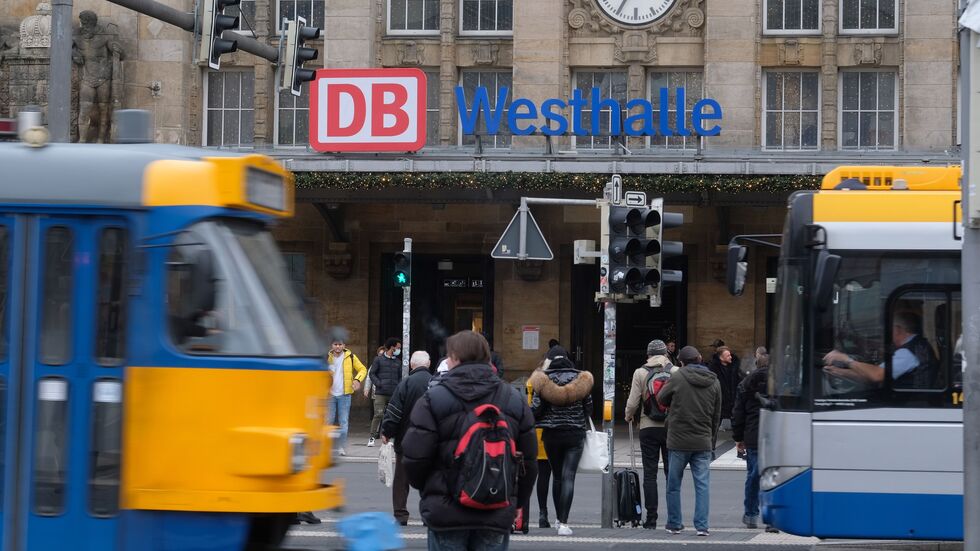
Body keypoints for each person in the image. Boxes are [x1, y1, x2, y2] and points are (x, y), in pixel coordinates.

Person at [402, 331, 538, 551]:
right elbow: (529, 463)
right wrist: (515, 502)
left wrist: (431, 489)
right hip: (495, 510)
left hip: (446, 512)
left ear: (455, 358)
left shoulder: (433, 398)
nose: (446, 360)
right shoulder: (514, 399)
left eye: (448, 355)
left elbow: (415, 458)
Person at [529, 345, 594, 537]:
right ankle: (564, 522)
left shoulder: (543, 379)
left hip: (552, 434)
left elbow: (536, 409)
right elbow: (588, 408)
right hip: (575, 434)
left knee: (556, 476)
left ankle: (557, 519)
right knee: (569, 476)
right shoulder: (581, 378)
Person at [658, 346, 721, 537]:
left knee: (674, 484)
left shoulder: (677, 377)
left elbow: (662, 398)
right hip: (702, 441)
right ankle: (702, 526)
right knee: (702, 485)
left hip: (678, 440)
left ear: (681, 362)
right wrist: (711, 440)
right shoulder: (714, 381)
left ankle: (674, 524)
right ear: (700, 359)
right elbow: (717, 415)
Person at [624, 339, 677, 529]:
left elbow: (632, 402)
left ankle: (652, 518)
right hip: (671, 428)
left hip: (648, 427)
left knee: (650, 474)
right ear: (665, 354)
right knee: (672, 473)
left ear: (648, 354)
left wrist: (628, 416)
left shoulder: (640, 372)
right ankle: (673, 518)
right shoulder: (675, 371)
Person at [380, 351, 433, 526]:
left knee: (401, 479)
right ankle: (428, 515)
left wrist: (387, 431)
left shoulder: (406, 383)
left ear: (411, 365)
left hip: (406, 441)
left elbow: (394, 412)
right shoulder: (436, 383)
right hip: (430, 442)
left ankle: (400, 515)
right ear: (429, 364)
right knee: (430, 479)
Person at [823, 311, 939, 388]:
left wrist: (847, 360)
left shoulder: (907, 353)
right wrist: (840, 372)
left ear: (898, 329)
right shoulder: (919, 344)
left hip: (905, 405)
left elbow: (877, 375)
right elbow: (871, 377)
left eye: (889, 328)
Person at [732, 351, 769, 529]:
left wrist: (738, 438)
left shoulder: (746, 384)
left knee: (753, 476)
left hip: (753, 434)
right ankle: (772, 519)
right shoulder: (782, 383)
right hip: (775, 435)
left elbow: (738, 414)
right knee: (774, 477)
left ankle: (751, 515)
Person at [326, 332, 367, 457]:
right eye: (335, 344)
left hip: (345, 394)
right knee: (328, 422)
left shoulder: (350, 357)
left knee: (343, 422)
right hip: (329, 394)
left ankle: (340, 448)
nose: (337, 347)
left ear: (344, 345)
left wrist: (357, 379)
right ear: (332, 345)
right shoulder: (327, 358)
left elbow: (362, 369)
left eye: (340, 344)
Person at [525, 360, 553, 530]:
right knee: (545, 476)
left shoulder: (530, 381)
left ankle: (522, 514)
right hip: (546, 434)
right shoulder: (548, 384)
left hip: (532, 435)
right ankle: (543, 513)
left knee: (528, 477)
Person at [708, 344, 742, 458]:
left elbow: (741, 381)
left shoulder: (735, 367)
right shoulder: (713, 369)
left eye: (730, 355)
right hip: (719, 402)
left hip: (733, 401)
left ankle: (740, 450)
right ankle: (710, 450)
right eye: (728, 355)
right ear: (721, 357)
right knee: (714, 427)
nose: (731, 357)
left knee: (737, 426)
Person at [367, 338, 402, 447]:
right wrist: (379, 383)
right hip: (381, 393)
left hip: (393, 393)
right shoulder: (378, 360)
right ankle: (372, 437)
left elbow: (400, 376)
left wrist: (399, 388)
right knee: (378, 414)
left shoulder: (398, 362)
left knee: (392, 416)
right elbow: (372, 373)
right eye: (398, 347)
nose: (399, 350)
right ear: (392, 347)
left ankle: (389, 437)